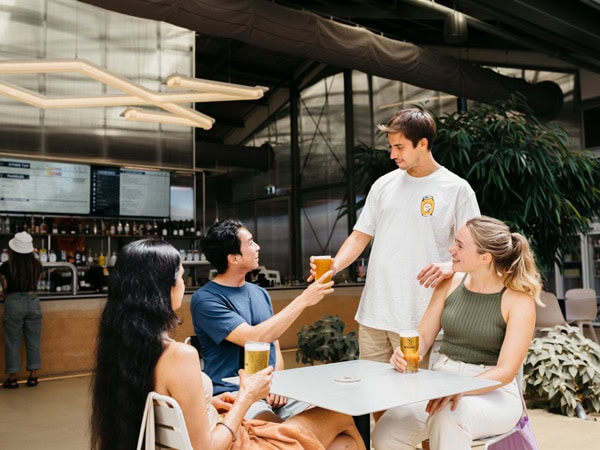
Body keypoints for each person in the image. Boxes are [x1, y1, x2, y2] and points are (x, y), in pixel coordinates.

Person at [90, 238, 365, 450]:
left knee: (344, 445)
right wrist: (246, 394)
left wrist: (207, 401)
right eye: (180, 276)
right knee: (342, 417)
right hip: (232, 442)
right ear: (161, 288)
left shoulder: (123, 349)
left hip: (218, 423)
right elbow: (207, 447)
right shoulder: (181, 354)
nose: (184, 284)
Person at [371, 216, 543, 450]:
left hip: (494, 392)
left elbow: (505, 371)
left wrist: (459, 389)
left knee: (448, 418)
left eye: (460, 245)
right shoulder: (449, 283)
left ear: (485, 258)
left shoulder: (519, 300)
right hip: (443, 381)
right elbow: (423, 337)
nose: (452, 250)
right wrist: (403, 354)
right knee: (388, 429)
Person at [330, 108, 480, 367]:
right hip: (375, 314)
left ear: (422, 144)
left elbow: (475, 248)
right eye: (391, 147)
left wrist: (450, 266)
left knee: (415, 402)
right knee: (375, 400)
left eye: (399, 147)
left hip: (421, 318)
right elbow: (359, 237)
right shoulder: (383, 185)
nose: (392, 154)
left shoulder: (456, 189)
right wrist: (333, 267)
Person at [191, 219, 334, 423]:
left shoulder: (260, 293)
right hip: (235, 395)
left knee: (336, 416)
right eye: (250, 243)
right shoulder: (205, 299)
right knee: (281, 431)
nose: (258, 247)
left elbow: (273, 345)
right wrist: (303, 300)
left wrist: (278, 384)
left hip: (270, 392)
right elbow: (255, 337)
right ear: (233, 258)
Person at [1, 231, 43, 388]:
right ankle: (33, 376)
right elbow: (37, 282)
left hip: (13, 302)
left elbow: (5, 287)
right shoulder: (37, 265)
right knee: (34, 341)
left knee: (12, 342)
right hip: (33, 301)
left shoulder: (7, 266)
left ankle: (12, 378)